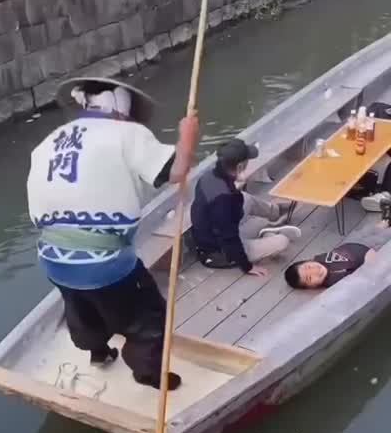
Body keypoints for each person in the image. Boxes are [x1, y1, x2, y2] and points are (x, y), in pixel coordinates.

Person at [27, 77, 197, 392]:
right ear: (120, 108)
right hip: (105, 262)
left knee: (81, 304)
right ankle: (146, 372)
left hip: (52, 258)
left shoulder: (49, 142)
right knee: (149, 317)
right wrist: (187, 137)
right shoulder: (126, 133)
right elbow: (176, 172)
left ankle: (98, 352)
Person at [190, 138, 301, 276]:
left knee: (245, 198)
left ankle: (276, 213)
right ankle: (268, 234)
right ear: (240, 166)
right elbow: (229, 238)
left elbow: (231, 207)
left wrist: (238, 182)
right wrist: (247, 267)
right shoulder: (222, 200)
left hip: (213, 231)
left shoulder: (209, 176)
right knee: (282, 242)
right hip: (220, 251)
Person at [284, 243, 376, 290]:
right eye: (309, 278)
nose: (315, 271)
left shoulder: (321, 258)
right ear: (311, 287)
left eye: (308, 267)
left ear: (309, 261)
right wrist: (369, 263)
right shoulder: (335, 282)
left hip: (359, 244)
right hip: (372, 257)